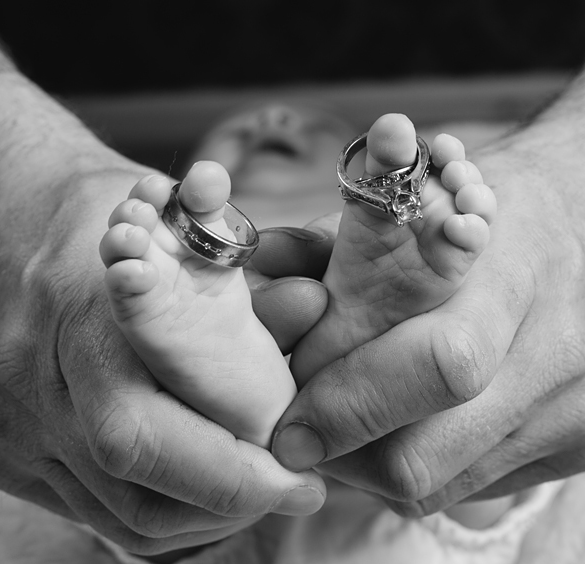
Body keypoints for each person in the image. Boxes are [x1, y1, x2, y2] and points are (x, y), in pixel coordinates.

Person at [0, 0, 585, 564]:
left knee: (473, 428)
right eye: (238, 142)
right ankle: (230, 369)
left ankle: (288, 374)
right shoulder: (205, 258)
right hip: (244, 407)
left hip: (378, 411)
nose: (270, 118)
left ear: (352, 186)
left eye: (308, 138)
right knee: (157, 436)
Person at [99, 112, 512, 529]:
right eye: (237, 129)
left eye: (316, 125)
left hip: (250, 541)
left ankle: (264, 405)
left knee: (450, 443)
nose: (274, 119)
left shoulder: (338, 239)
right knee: (460, 507)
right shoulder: (216, 254)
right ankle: (259, 384)